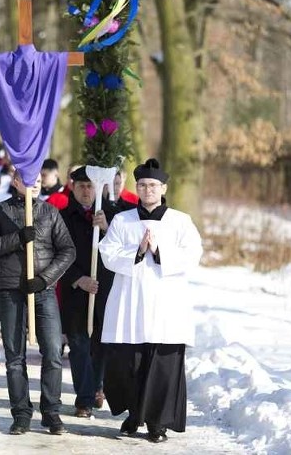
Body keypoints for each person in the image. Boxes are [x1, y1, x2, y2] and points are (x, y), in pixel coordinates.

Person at [98, 158, 203, 443]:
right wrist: (138, 250)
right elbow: (107, 253)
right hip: (129, 304)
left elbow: (193, 254)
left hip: (166, 305)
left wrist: (158, 250)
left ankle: (157, 423)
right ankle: (134, 415)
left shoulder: (180, 221)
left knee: (162, 367)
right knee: (128, 365)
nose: (147, 190)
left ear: (163, 187)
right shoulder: (122, 220)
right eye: (142, 185)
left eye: (153, 185)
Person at [0, 170, 76, 435]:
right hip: (10, 289)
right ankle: (21, 413)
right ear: (16, 181)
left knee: (53, 351)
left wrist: (45, 279)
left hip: (42, 291)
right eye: (30, 181)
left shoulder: (49, 212)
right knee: (14, 356)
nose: (35, 186)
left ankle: (52, 411)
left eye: (39, 182)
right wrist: (18, 238)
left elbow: (68, 250)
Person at [59, 166, 119, 419]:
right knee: (79, 344)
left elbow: (123, 252)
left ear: (99, 187)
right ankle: (84, 398)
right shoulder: (62, 217)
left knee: (101, 344)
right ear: (72, 187)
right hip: (75, 292)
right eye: (81, 186)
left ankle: (97, 387)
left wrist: (106, 228)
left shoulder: (115, 216)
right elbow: (54, 254)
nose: (86, 191)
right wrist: (77, 279)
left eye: (90, 186)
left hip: (105, 291)